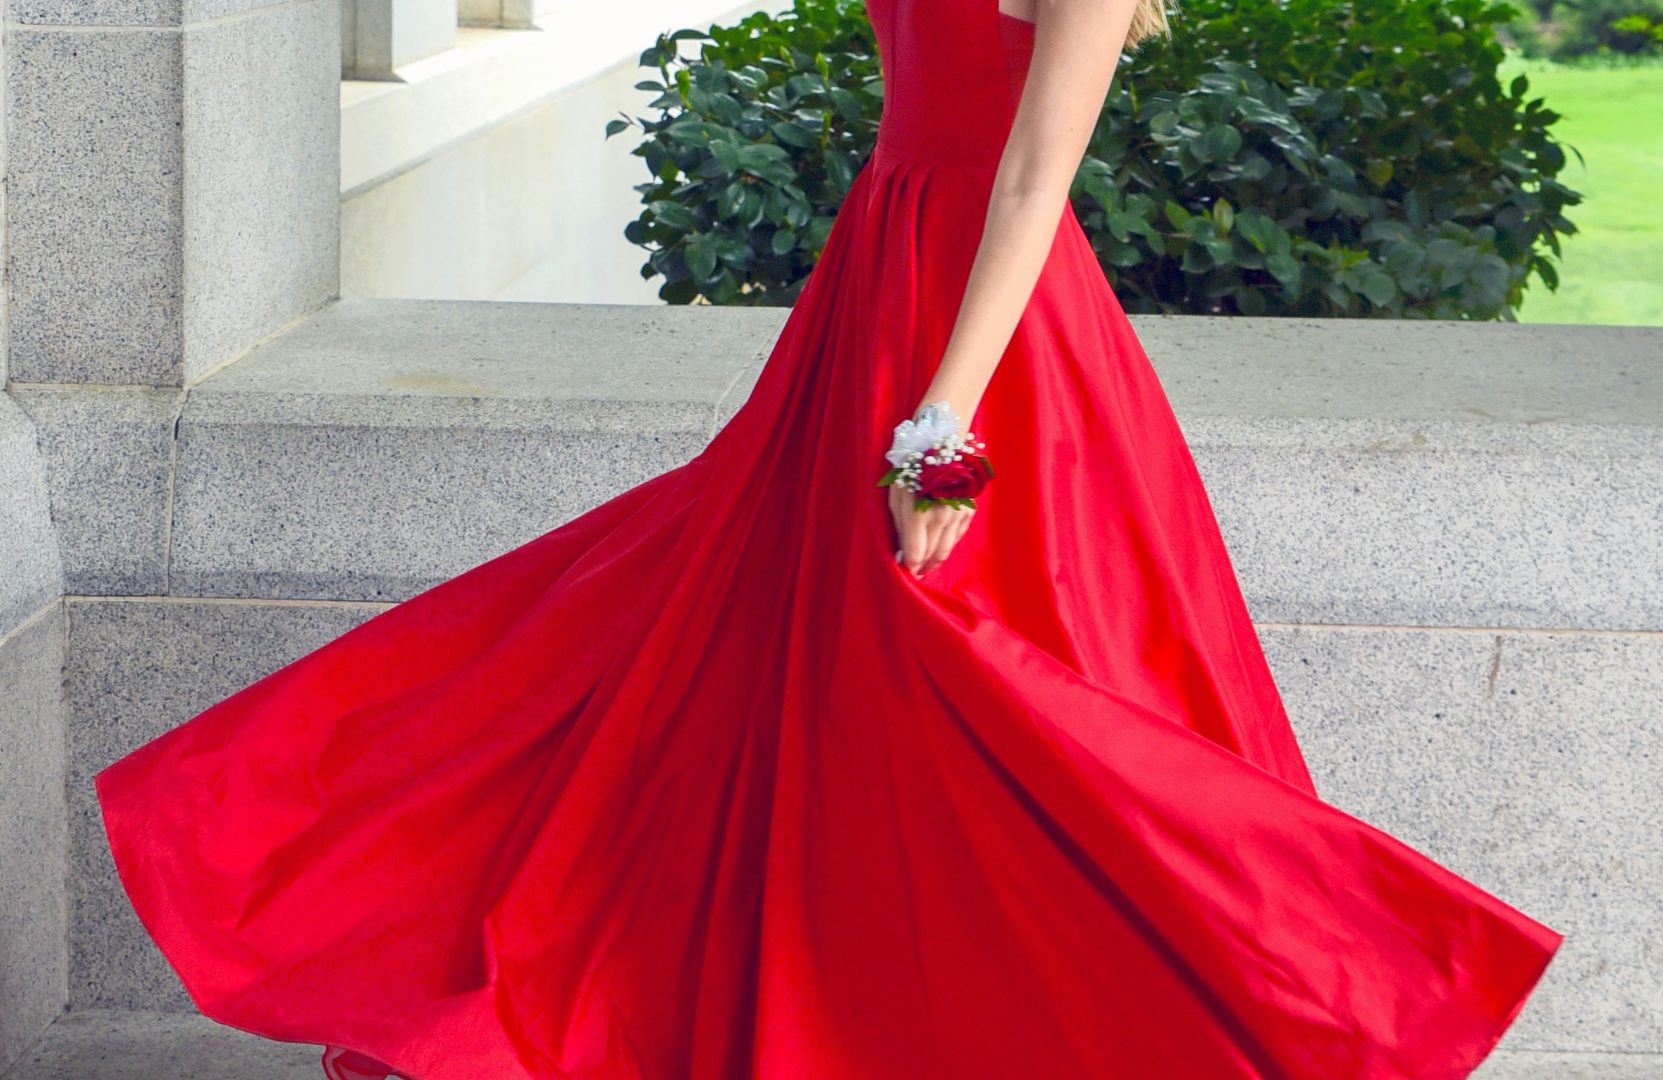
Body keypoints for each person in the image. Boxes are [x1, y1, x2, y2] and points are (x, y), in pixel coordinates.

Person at [93, 0, 1564, 1076]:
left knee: (1021, 700)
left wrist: (944, 427)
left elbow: (1035, 191)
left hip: (985, 343)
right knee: (738, 649)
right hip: (881, 282)